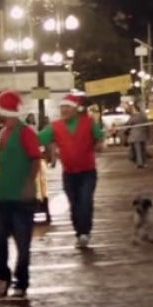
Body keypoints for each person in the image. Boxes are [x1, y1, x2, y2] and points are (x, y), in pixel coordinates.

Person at [0, 91, 42, 299]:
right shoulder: (5, 133)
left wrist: (29, 183)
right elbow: (2, 167)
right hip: (3, 197)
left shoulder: (25, 133)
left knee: (22, 244)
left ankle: (21, 281)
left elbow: (35, 159)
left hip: (21, 199)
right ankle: (4, 277)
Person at [38, 94, 105, 249]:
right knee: (74, 204)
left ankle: (85, 232)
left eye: (67, 107)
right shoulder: (55, 126)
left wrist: (99, 145)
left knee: (85, 201)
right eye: (62, 107)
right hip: (69, 173)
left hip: (88, 172)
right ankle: (79, 232)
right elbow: (37, 139)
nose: (64, 110)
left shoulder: (88, 123)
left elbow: (99, 138)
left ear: (75, 109)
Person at [125, 102, 151, 169]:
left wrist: (126, 131)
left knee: (137, 150)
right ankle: (143, 162)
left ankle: (139, 163)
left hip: (135, 136)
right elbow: (147, 124)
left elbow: (128, 124)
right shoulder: (143, 115)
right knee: (142, 150)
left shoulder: (133, 116)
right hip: (142, 135)